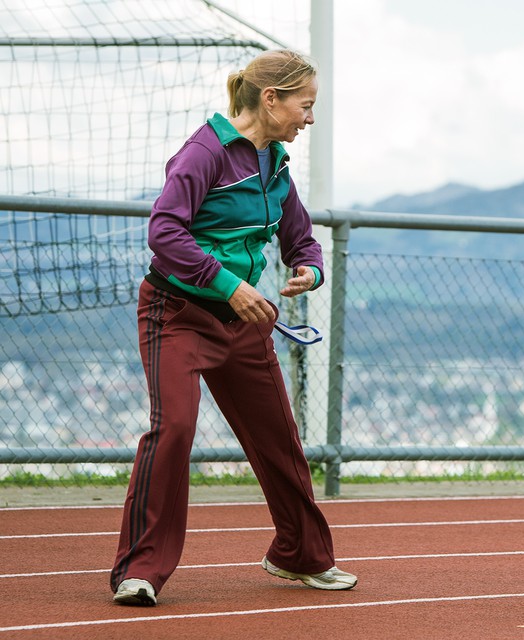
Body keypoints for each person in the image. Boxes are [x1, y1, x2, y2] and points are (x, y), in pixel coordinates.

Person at [110, 49, 356, 606]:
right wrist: (228, 285)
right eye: (305, 105)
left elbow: (301, 237)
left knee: (279, 439)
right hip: (176, 313)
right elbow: (164, 231)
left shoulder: (276, 164)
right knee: (173, 429)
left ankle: (300, 556)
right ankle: (139, 570)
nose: (309, 118)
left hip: (245, 322)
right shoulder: (205, 153)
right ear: (271, 99)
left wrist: (309, 269)